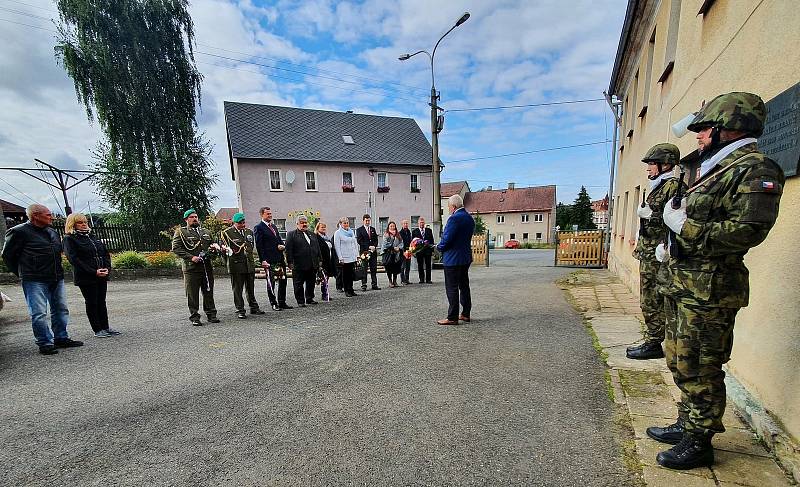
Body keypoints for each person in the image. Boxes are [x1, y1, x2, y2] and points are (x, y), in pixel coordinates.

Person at [647, 92, 784, 470]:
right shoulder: (716, 167)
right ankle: (687, 421)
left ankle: (699, 439)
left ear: (729, 127)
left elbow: (747, 230)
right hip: (684, 284)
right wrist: (669, 242)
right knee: (679, 359)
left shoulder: (756, 168)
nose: (698, 136)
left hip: (710, 290)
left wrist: (685, 227)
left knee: (701, 365)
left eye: (705, 128)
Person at [626, 144, 685, 360]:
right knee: (649, 298)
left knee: (654, 299)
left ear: (666, 164)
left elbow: (676, 220)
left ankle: (655, 342)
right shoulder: (659, 186)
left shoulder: (673, 188)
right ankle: (654, 339)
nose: (648, 168)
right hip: (649, 251)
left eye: (652, 164)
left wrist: (651, 216)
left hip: (659, 253)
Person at [2, 204, 83, 354]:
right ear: (35, 216)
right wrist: (23, 273)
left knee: (61, 309)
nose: (51, 217)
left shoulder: (51, 232)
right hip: (34, 279)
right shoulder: (18, 232)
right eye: (47, 215)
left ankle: (61, 337)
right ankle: (45, 342)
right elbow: (8, 256)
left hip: (55, 276)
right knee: (38, 313)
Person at [62, 212, 120, 338]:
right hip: (86, 277)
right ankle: (97, 329)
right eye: (80, 222)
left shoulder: (92, 237)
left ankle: (106, 327)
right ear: (73, 224)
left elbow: (104, 253)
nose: (84, 225)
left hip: (101, 274)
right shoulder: (69, 239)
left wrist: (106, 268)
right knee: (92, 302)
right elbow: (74, 259)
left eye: (85, 222)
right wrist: (93, 271)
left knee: (101, 302)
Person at [172, 209, 220, 326]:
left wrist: (214, 251)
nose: (194, 219)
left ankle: (211, 314)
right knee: (192, 294)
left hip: (206, 267)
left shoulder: (206, 232)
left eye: (196, 216)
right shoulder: (181, 232)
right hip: (191, 268)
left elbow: (212, 246)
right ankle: (194, 317)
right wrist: (191, 257)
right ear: (186, 219)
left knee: (208, 291)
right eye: (191, 217)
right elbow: (176, 248)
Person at [436, 195, 475, 325]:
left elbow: (447, 240)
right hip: (465, 258)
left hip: (453, 259)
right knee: (464, 286)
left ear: (453, 207)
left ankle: (452, 317)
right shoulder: (469, 218)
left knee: (451, 287)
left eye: (448, 207)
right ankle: (465, 313)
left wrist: (438, 247)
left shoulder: (454, 219)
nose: (448, 209)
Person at [220, 212, 265, 319]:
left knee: (250, 288)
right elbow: (224, 251)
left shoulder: (249, 232)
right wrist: (227, 262)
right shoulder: (227, 233)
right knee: (238, 289)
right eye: (240, 223)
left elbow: (250, 247)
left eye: (244, 222)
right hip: (236, 265)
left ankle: (253, 307)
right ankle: (240, 309)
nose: (243, 225)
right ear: (234, 223)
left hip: (249, 264)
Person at [253, 207, 291, 311]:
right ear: (262, 215)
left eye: (270, 213)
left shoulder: (273, 226)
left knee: (283, 280)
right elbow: (259, 245)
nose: (270, 215)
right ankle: (273, 303)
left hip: (279, 258)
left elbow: (278, 239)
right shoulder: (259, 227)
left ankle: (282, 302)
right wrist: (263, 260)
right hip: (269, 260)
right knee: (271, 282)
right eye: (267, 214)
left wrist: (282, 245)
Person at [284, 215, 321, 307]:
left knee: (311, 282)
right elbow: (288, 250)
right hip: (299, 264)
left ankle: (309, 298)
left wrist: (320, 259)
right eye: (302, 223)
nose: (304, 224)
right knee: (298, 283)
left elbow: (317, 248)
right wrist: (290, 262)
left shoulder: (312, 234)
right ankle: (300, 301)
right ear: (297, 224)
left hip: (312, 263)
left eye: (305, 222)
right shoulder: (291, 234)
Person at [333, 217, 359, 297]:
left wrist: (357, 255)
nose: (346, 224)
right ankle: (347, 290)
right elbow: (337, 246)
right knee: (345, 275)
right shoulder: (338, 233)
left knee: (351, 274)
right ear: (340, 224)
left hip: (352, 256)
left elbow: (355, 244)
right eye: (344, 223)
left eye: (347, 223)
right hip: (344, 257)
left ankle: (351, 289)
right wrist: (340, 258)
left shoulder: (351, 232)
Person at [356, 214, 380, 291]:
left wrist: (374, 246)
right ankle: (364, 284)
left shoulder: (373, 229)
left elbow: (376, 239)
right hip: (364, 253)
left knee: (373, 269)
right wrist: (368, 246)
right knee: (364, 269)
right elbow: (359, 241)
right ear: (363, 221)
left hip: (373, 252)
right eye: (366, 220)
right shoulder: (359, 230)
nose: (367, 222)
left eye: (368, 220)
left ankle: (374, 284)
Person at [314, 221, 337, 301]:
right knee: (323, 278)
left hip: (328, 260)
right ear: (317, 228)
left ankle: (326, 293)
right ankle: (324, 294)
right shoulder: (316, 237)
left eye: (324, 227)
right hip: (322, 261)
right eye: (322, 227)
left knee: (326, 278)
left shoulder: (326, 237)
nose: (324, 229)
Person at [412, 217, 435, 283]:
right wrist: (414, 251)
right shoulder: (414, 231)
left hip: (428, 251)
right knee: (420, 265)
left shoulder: (429, 230)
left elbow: (432, 241)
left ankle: (428, 279)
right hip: (419, 251)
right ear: (418, 223)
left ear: (424, 223)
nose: (422, 224)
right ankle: (421, 279)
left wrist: (432, 250)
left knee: (428, 265)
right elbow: (413, 242)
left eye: (423, 222)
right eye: (420, 223)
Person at [381, 221, 404, 287]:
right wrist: (393, 247)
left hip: (396, 254)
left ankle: (395, 281)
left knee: (396, 268)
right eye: (391, 226)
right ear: (388, 227)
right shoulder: (386, 234)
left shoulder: (398, 234)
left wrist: (399, 248)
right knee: (389, 268)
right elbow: (385, 244)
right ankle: (390, 281)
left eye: (393, 226)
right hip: (388, 254)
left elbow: (401, 243)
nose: (392, 227)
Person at [399, 219, 413, 285]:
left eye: (407, 223)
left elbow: (410, 242)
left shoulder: (409, 232)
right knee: (402, 266)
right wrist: (403, 251)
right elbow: (400, 243)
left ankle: (407, 279)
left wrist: (411, 250)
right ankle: (402, 280)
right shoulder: (400, 233)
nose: (406, 225)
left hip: (409, 251)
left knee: (408, 266)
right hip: (403, 252)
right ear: (402, 224)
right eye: (404, 223)